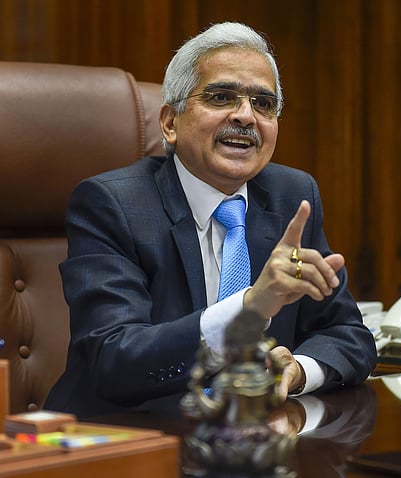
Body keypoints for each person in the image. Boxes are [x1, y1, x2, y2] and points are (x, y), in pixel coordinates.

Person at [44, 21, 377, 419]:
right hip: (129, 435)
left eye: (263, 103)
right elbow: (113, 359)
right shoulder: (112, 204)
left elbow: (349, 335)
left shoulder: (292, 195)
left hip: (253, 437)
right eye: (221, 97)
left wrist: (297, 372)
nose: (246, 116)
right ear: (170, 123)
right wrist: (249, 309)